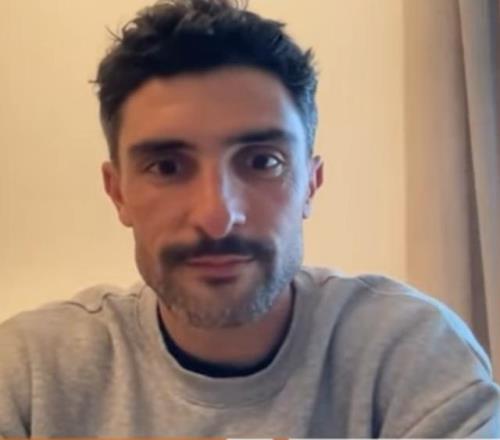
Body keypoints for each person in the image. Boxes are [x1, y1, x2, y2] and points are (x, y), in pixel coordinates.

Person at [0, 0, 498, 437]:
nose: (216, 217)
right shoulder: (30, 373)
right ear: (118, 192)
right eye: (167, 167)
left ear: (310, 184)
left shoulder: (412, 354)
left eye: (262, 162)